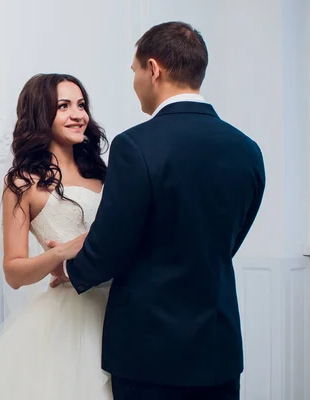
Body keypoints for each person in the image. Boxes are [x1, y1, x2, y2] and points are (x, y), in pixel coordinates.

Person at [48, 21, 265, 399]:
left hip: (149, 349)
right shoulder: (247, 149)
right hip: (219, 346)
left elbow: (111, 245)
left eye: (134, 71)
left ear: (153, 69)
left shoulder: (136, 145)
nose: (134, 82)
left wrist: (67, 268)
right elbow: (230, 239)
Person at [0, 72, 113, 399]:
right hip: (71, 316)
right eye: (64, 106)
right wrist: (59, 254)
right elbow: (13, 271)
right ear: (42, 114)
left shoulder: (105, 174)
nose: (78, 115)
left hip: (121, 304)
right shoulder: (22, 183)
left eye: (81, 105)